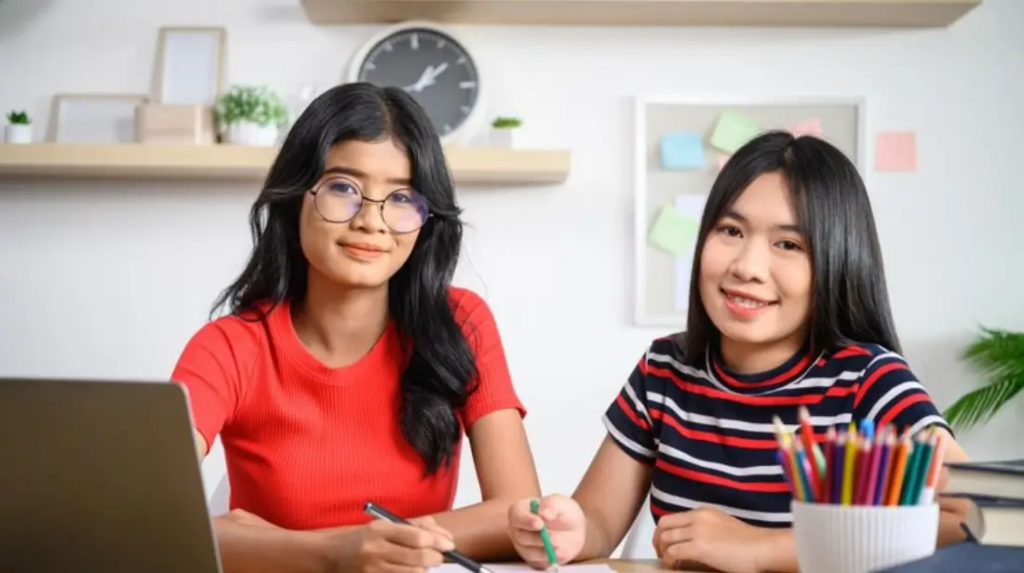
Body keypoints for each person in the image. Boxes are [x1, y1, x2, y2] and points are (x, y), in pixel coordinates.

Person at [506, 131, 972, 573]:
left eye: (788, 244)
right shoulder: (664, 370)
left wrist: (761, 550)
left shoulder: (868, 381)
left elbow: (976, 516)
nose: (747, 266)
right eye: (730, 230)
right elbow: (600, 522)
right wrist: (569, 531)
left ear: (837, 260)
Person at [170, 82, 541, 573]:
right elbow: (149, 518)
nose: (372, 221)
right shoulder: (230, 347)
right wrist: (335, 554)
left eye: (402, 197)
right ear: (295, 196)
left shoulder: (460, 322)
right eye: (344, 188)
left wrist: (326, 545)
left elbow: (519, 514)